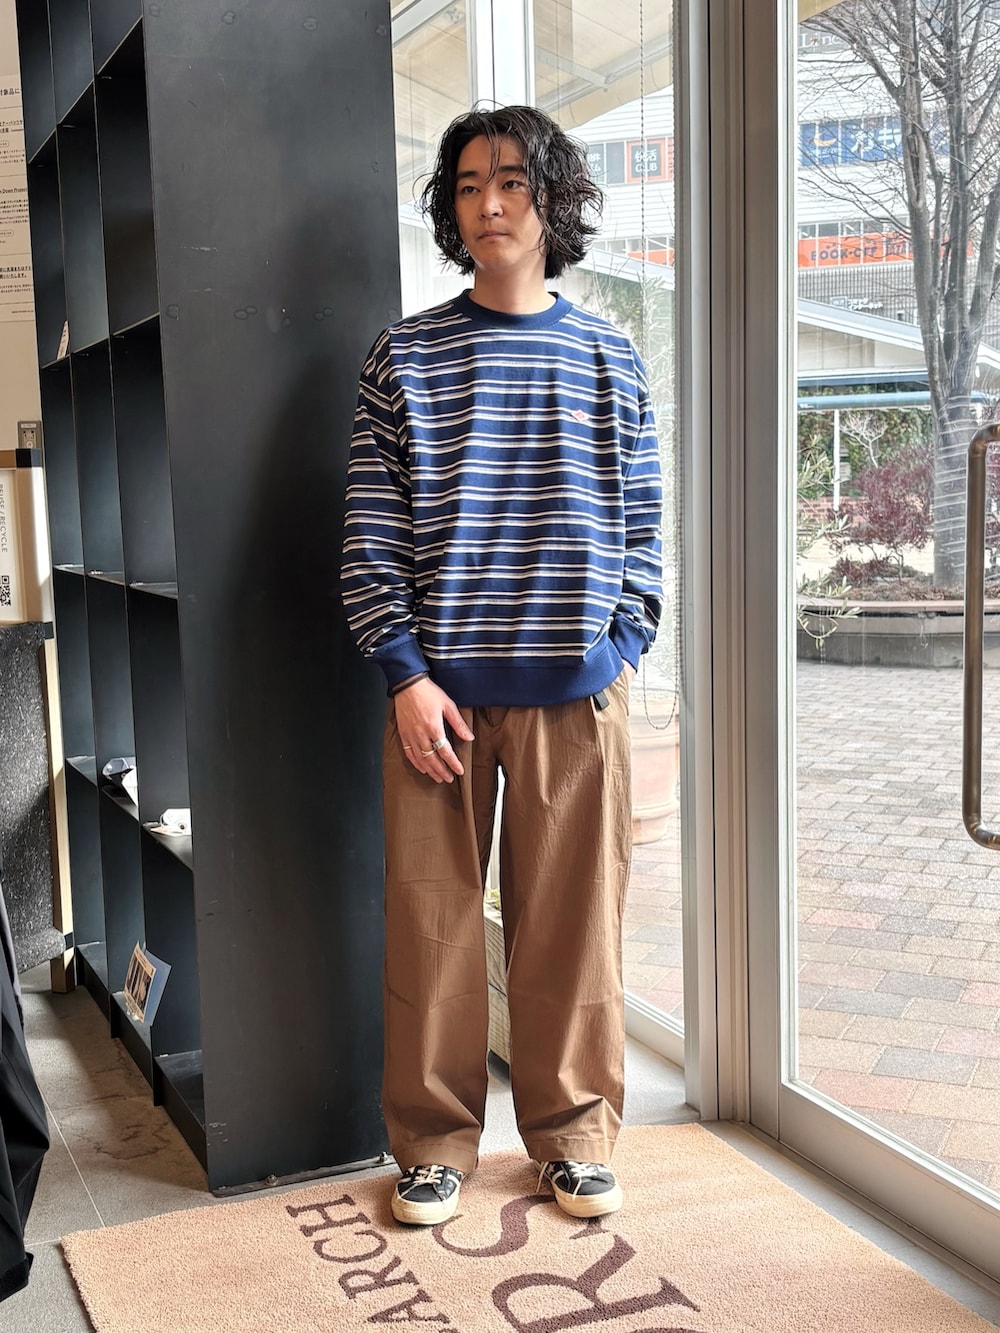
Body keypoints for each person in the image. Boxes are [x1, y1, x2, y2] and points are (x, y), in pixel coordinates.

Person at [341, 104, 662, 1227]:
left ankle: (573, 1137)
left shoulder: (608, 355)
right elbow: (372, 530)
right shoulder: (404, 355)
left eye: (513, 182)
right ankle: (433, 1144)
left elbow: (643, 527)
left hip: (578, 693)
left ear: (553, 200)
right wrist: (403, 673)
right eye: (468, 185)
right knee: (429, 928)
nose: (488, 203)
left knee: (574, 930)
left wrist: (621, 648)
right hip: (439, 698)